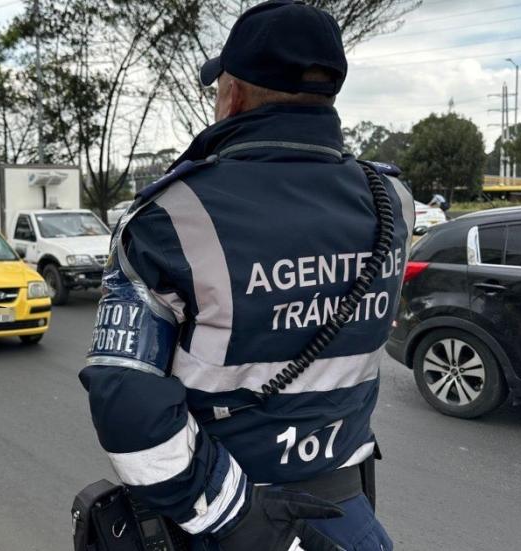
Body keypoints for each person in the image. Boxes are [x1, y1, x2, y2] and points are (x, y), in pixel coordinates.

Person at [79, 2, 414, 550]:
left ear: (232, 95)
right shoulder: (395, 202)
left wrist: (234, 517)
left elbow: (125, 403)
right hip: (350, 521)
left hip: (227, 525)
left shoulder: (169, 216)